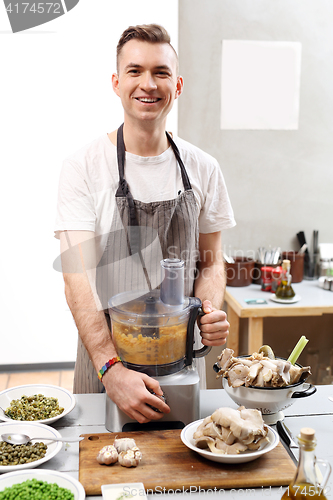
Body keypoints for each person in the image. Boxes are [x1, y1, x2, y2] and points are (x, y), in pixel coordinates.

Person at [55, 24, 236, 424]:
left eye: (161, 72)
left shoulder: (204, 168)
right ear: (117, 82)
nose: (148, 84)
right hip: (106, 360)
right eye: (135, 71)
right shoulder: (83, 167)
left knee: (188, 474)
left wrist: (208, 310)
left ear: (178, 84)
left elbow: (212, 263)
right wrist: (110, 369)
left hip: (180, 362)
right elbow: (76, 278)